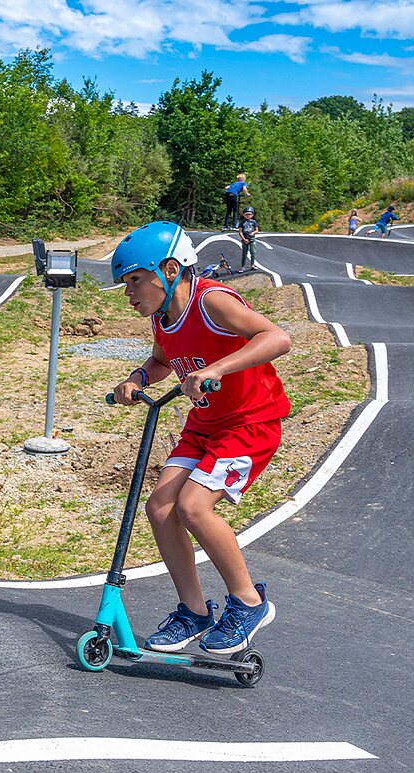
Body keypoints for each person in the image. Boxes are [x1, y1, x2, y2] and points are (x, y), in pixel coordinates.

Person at [110, 221, 291, 655]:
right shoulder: (163, 318)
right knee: (160, 507)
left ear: (170, 269)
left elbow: (277, 338)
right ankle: (193, 611)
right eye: (125, 283)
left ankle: (249, 602)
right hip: (204, 425)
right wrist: (137, 379)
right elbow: (162, 360)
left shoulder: (211, 301)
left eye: (136, 279)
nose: (129, 292)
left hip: (250, 423)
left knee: (193, 506)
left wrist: (217, 368)